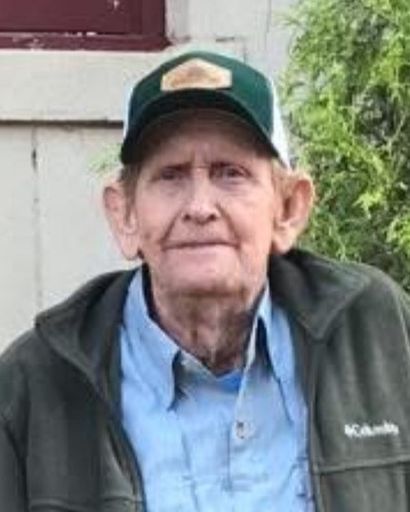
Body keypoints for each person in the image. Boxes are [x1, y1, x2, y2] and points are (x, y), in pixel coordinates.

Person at [1, 51, 410, 512]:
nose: (199, 207)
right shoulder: (34, 386)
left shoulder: (377, 333)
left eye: (230, 173)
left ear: (288, 209)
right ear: (125, 215)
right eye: (170, 176)